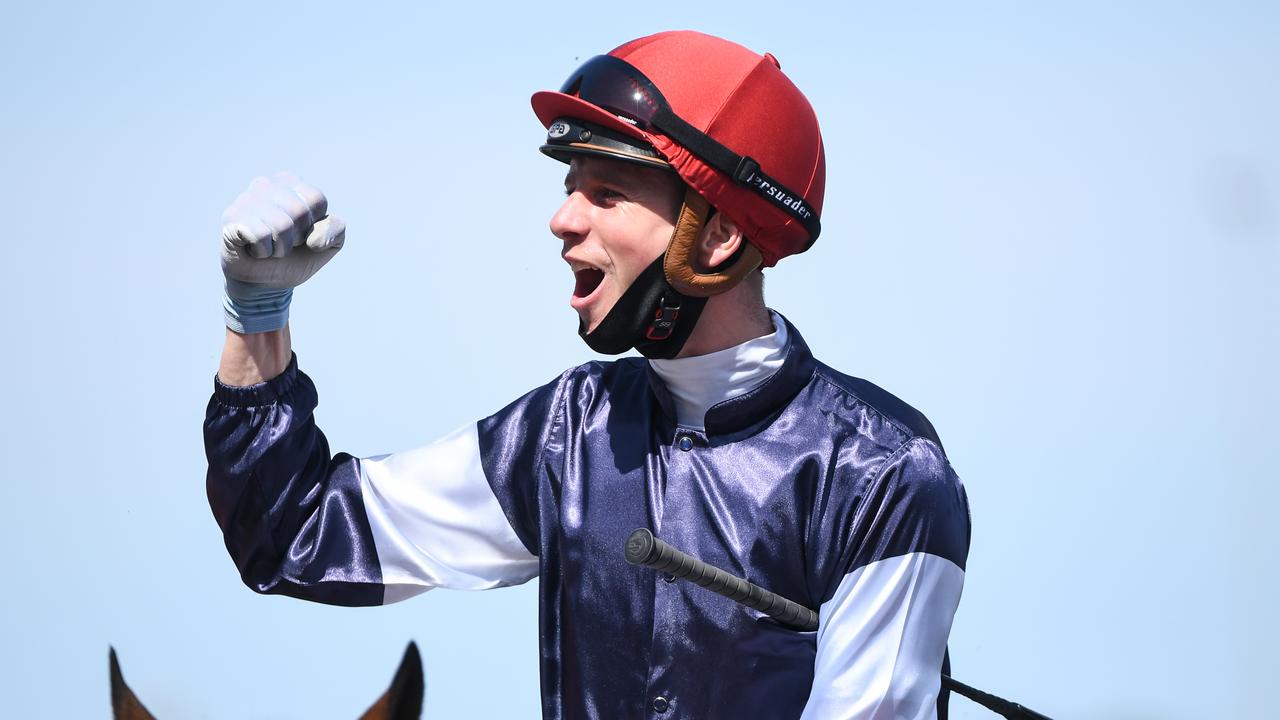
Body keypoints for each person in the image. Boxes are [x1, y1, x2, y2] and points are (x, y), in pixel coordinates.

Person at [205, 30, 971, 720]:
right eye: (570, 186)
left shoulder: (886, 475)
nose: (563, 219)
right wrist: (257, 318)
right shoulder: (567, 433)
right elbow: (295, 532)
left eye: (606, 193)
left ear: (720, 235)